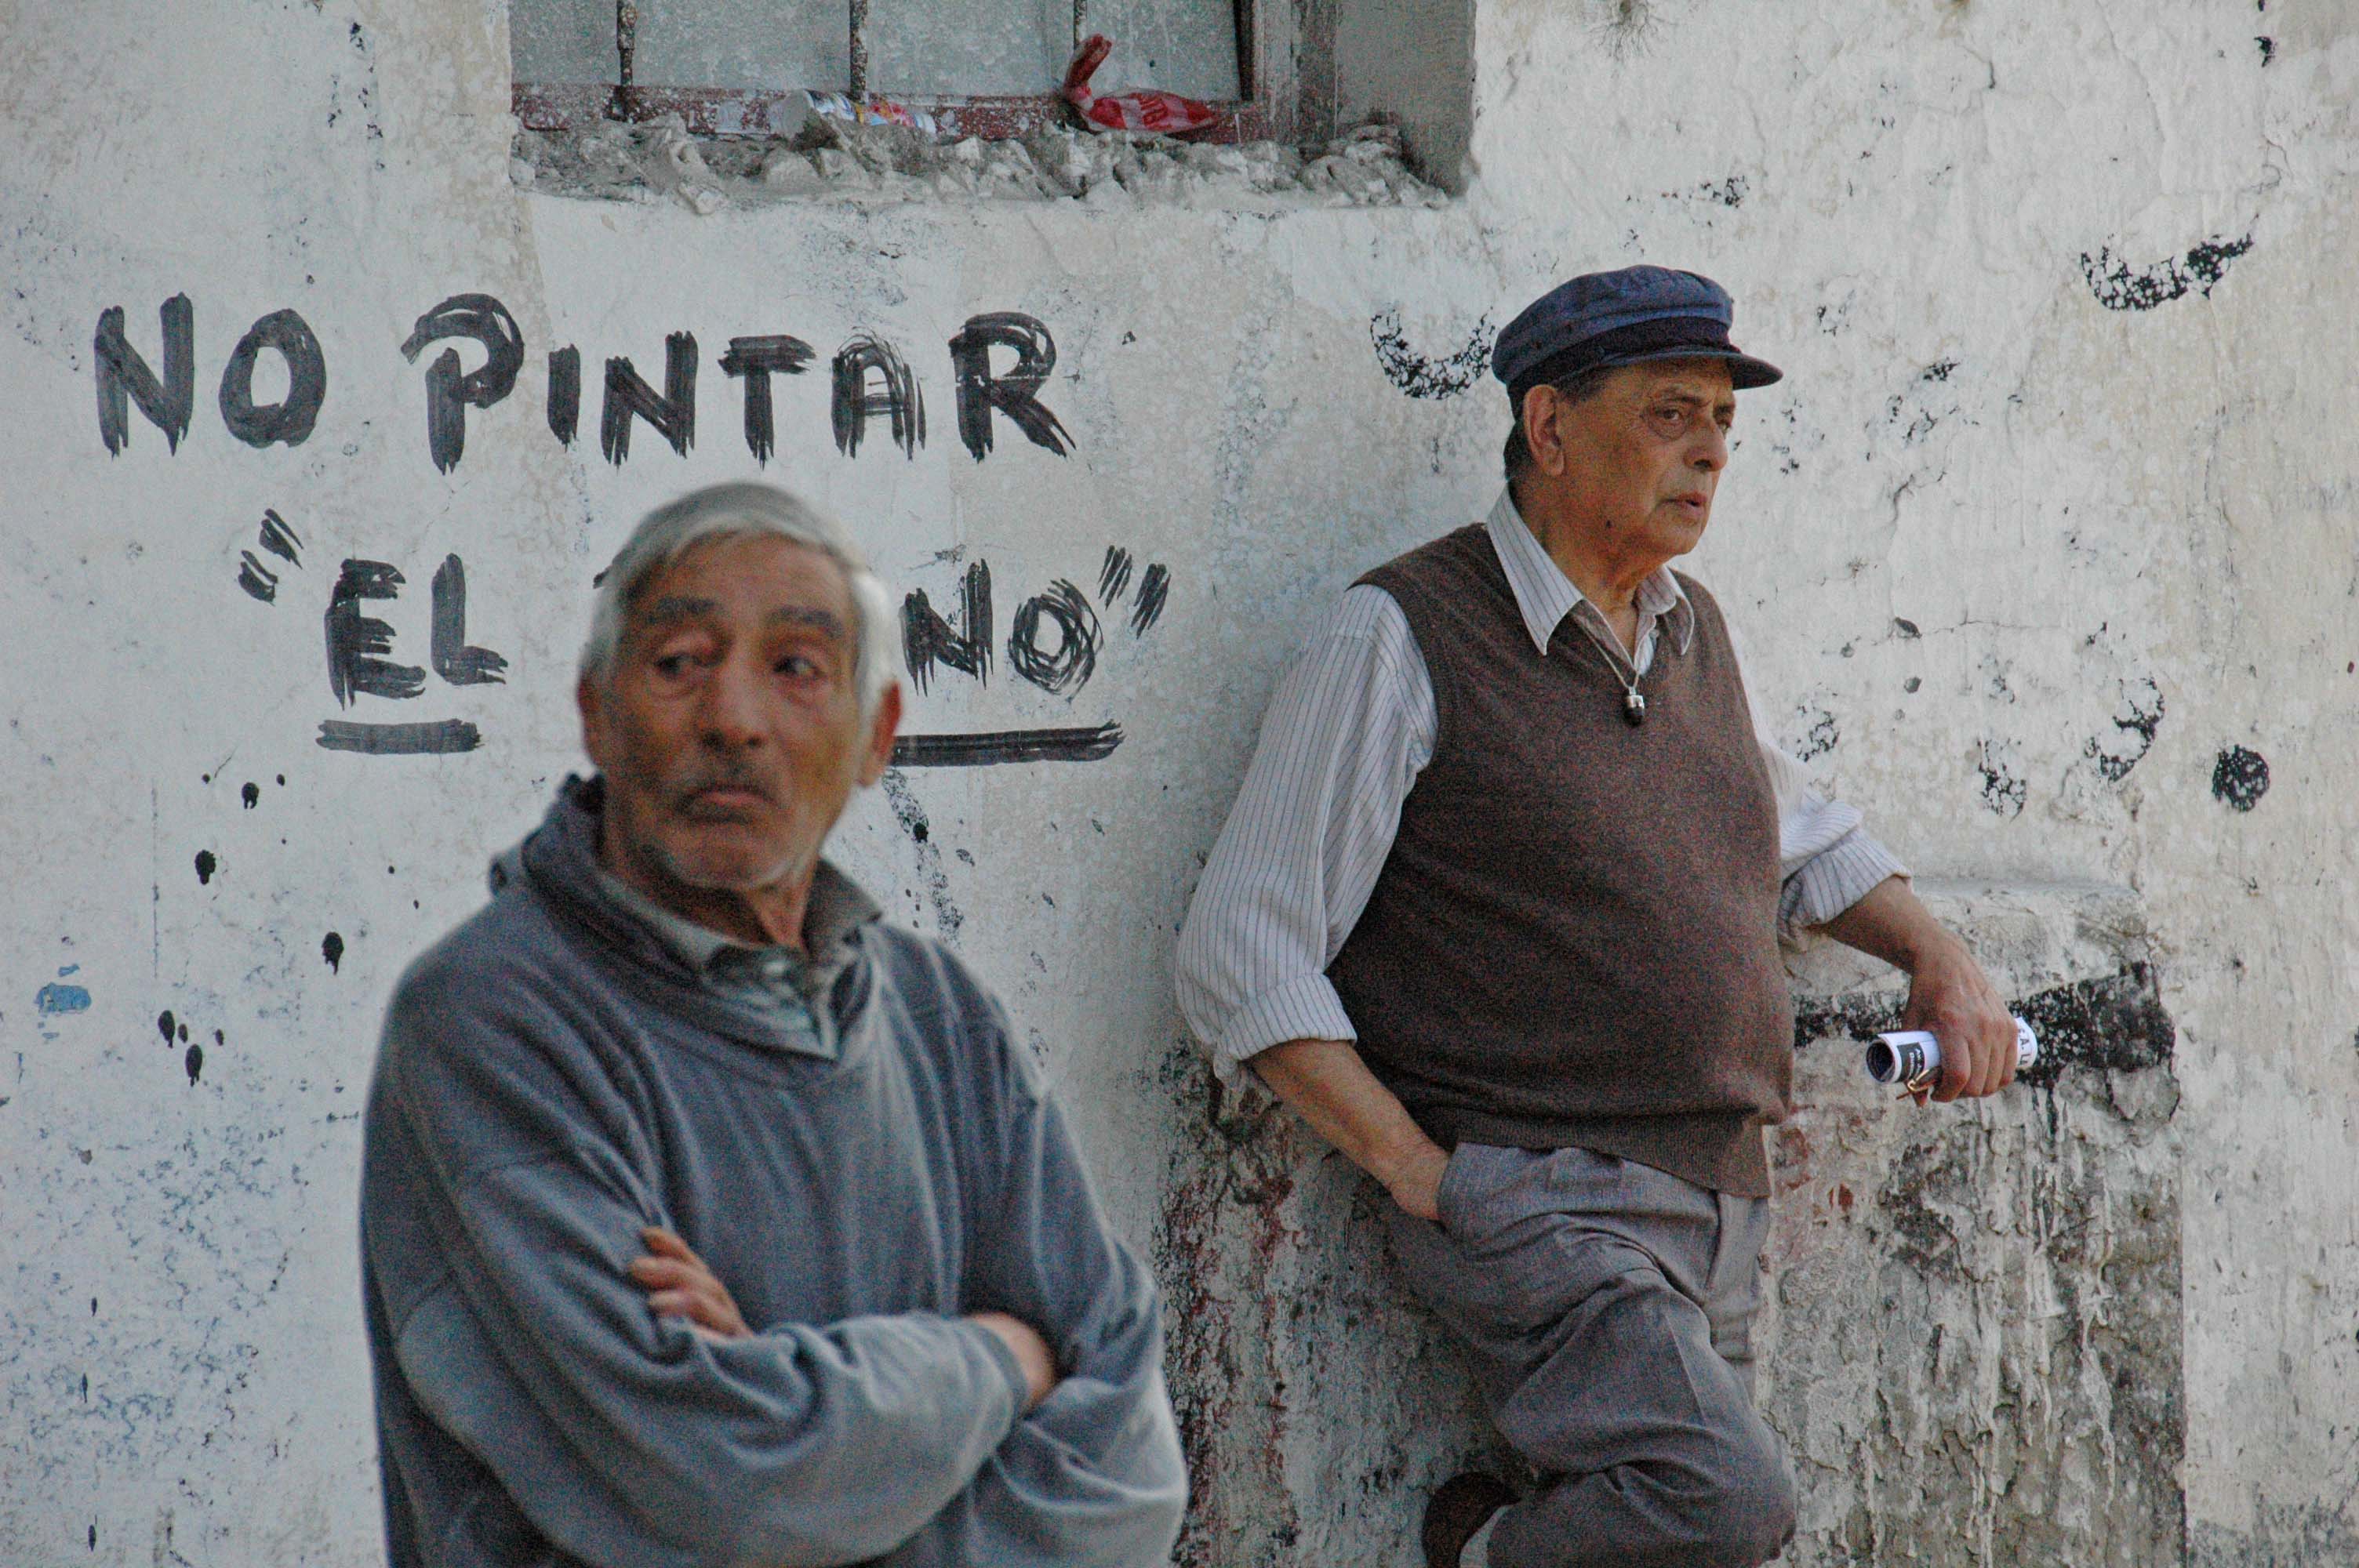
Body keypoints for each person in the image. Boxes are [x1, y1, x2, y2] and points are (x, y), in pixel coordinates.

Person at [1175, 266, 2019, 1568]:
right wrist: (1427, 1175)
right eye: (1675, 413)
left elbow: (1805, 835)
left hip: (1715, 1201)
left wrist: (1941, 958)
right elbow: (1241, 947)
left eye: (1724, 423)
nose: (1711, 452)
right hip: (1545, 1198)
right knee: (1724, 1501)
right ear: (1550, 427)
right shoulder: (1403, 635)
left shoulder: (1688, 633)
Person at [359, 481, 1186, 1568]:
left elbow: (1131, 1475)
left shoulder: (936, 1013)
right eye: (679, 663)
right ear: (596, 713)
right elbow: (729, 1488)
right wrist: (999, 1361)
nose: (733, 719)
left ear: (875, 733)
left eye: (796, 668)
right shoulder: (493, 1020)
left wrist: (807, 1430)